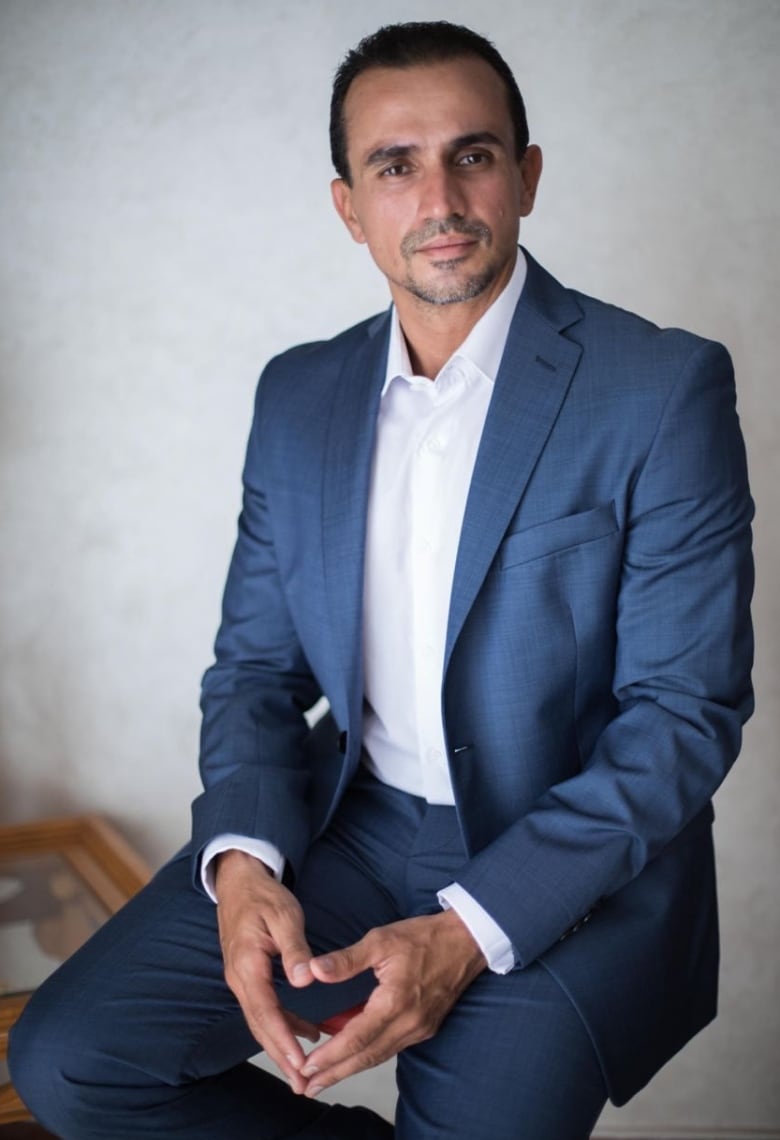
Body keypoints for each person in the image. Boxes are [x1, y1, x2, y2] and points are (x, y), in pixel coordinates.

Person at [9, 20, 754, 1140]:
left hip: (564, 856)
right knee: (71, 1063)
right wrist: (248, 862)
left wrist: (466, 930)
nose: (439, 196)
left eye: (475, 153)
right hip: (347, 830)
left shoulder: (660, 386)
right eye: (394, 166)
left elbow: (683, 717)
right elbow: (254, 669)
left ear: (527, 176)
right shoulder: (297, 396)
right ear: (350, 206)